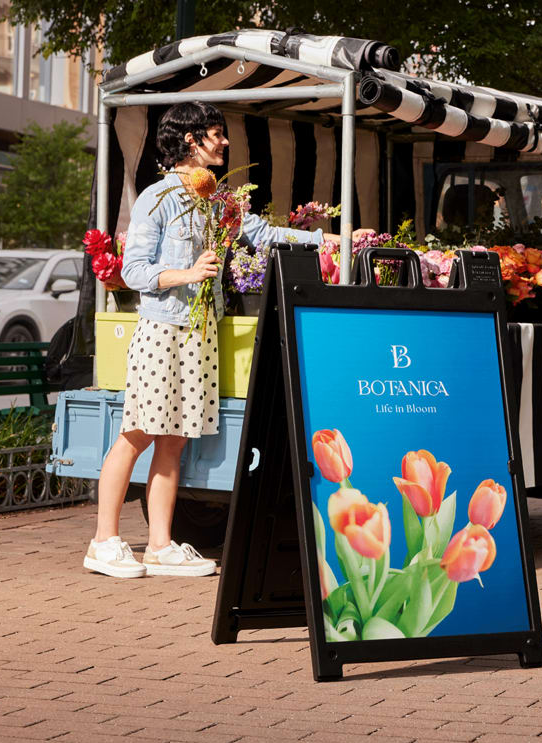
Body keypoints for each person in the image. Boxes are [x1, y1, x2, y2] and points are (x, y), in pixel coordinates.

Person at [84, 101, 371, 578]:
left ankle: (159, 545)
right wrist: (186, 273)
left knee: (174, 441)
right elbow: (133, 270)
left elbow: (261, 233)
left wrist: (335, 241)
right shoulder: (156, 198)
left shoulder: (218, 197)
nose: (225, 142)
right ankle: (103, 540)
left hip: (199, 333)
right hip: (162, 330)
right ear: (192, 140)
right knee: (136, 434)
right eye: (217, 134)